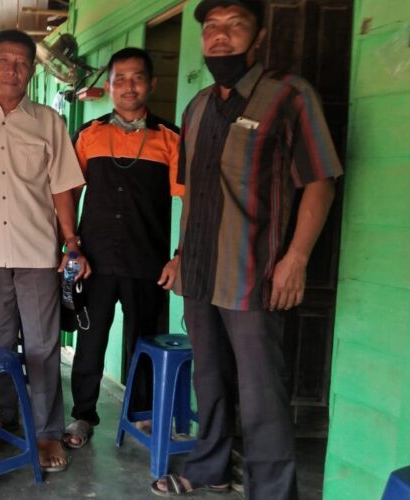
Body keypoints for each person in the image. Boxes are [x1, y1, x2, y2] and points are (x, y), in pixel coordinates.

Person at [153, 0, 343, 498]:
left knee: (261, 391)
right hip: (199, 271)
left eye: (235, 25)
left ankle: (272, 490)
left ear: (257, 37)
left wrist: (296, 259)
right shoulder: (196, 108)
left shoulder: (289, 95)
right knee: (209, 379)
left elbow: (320, 181)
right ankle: (210, 467)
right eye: (211, 27)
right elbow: (194, 194)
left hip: (252, 271)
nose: (220, 36)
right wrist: (179, 254)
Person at [0, 29, 88, 473]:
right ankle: (1, 418)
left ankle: (47, 432)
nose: (12, 69)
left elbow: (62, 186)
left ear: (31, 70)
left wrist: (71, 243)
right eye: (4, 60)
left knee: (43, 346)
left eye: (22, 62)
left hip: (37, 252)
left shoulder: (48, 121)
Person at [64, 47, 183, 449]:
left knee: (143, 341)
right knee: (90, 342)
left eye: (137, 78)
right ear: (110, 86)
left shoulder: (170, 138)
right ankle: (83, 415)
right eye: (120, 80)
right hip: (93, 262)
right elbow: (68, 193)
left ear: (152, 84)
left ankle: (142, 414)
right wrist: (70, 245)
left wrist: (180, 256)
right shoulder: (89, 134)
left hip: (147, 262)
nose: (128, 87)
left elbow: (190, 202)